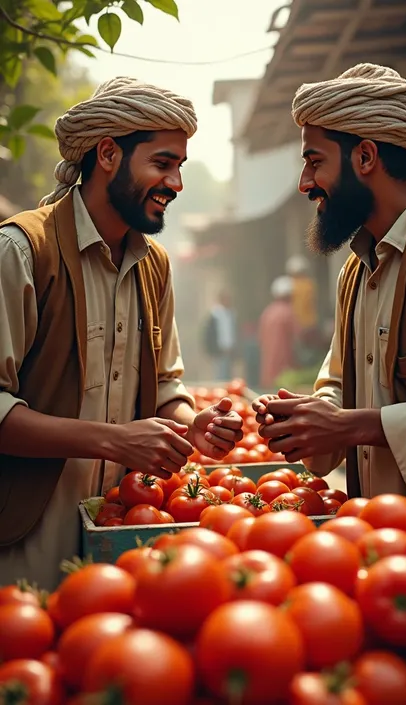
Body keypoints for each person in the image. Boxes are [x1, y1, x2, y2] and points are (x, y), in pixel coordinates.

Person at [0, 77, 243, 590]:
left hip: (125, 536)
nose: (175, 183)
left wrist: (192, 423)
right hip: (23, 542)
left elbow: (167, 387)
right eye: (162, 163)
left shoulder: (153, 264)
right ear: (108, 153)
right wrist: (114, 441)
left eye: (178, 166)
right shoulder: (21, 253)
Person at [253, 62, 406, 499]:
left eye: (315, 162)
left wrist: (349, 425)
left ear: (366, 157)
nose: (305, 183)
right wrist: (307, 420)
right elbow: (338, 385)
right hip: (373, 538)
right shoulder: (355, 270)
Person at [258, 276, 298, 389]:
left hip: (268, 369)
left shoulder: (267, 312)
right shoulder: (288, 312)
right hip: (284, 368)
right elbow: (298, 338)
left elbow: (260, 338)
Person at [285, 254, 319, 366]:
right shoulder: (310, 285)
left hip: (296, 326)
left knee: (297, 356)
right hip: (310, 324)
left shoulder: (291, 285)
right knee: (311, 354)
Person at [203, 291, 237, 381]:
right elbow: (209, 335)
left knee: (228, 375)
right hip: (218, 351)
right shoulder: (214, 315)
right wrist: (211, 350)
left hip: (229, 350)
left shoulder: (231, 314)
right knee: (219, 375)